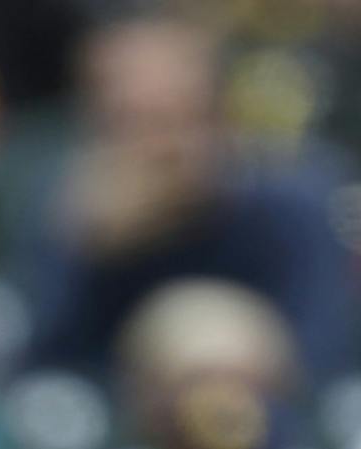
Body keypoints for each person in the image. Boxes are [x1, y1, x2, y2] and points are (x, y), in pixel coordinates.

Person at [22, 15, 354, 384]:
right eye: (129, 124)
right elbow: (46, 372)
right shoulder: (69, 213)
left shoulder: (294, 204)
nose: (159, 149)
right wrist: (85, 250)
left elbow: (325, 357)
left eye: (177, 120)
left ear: (222, 120)